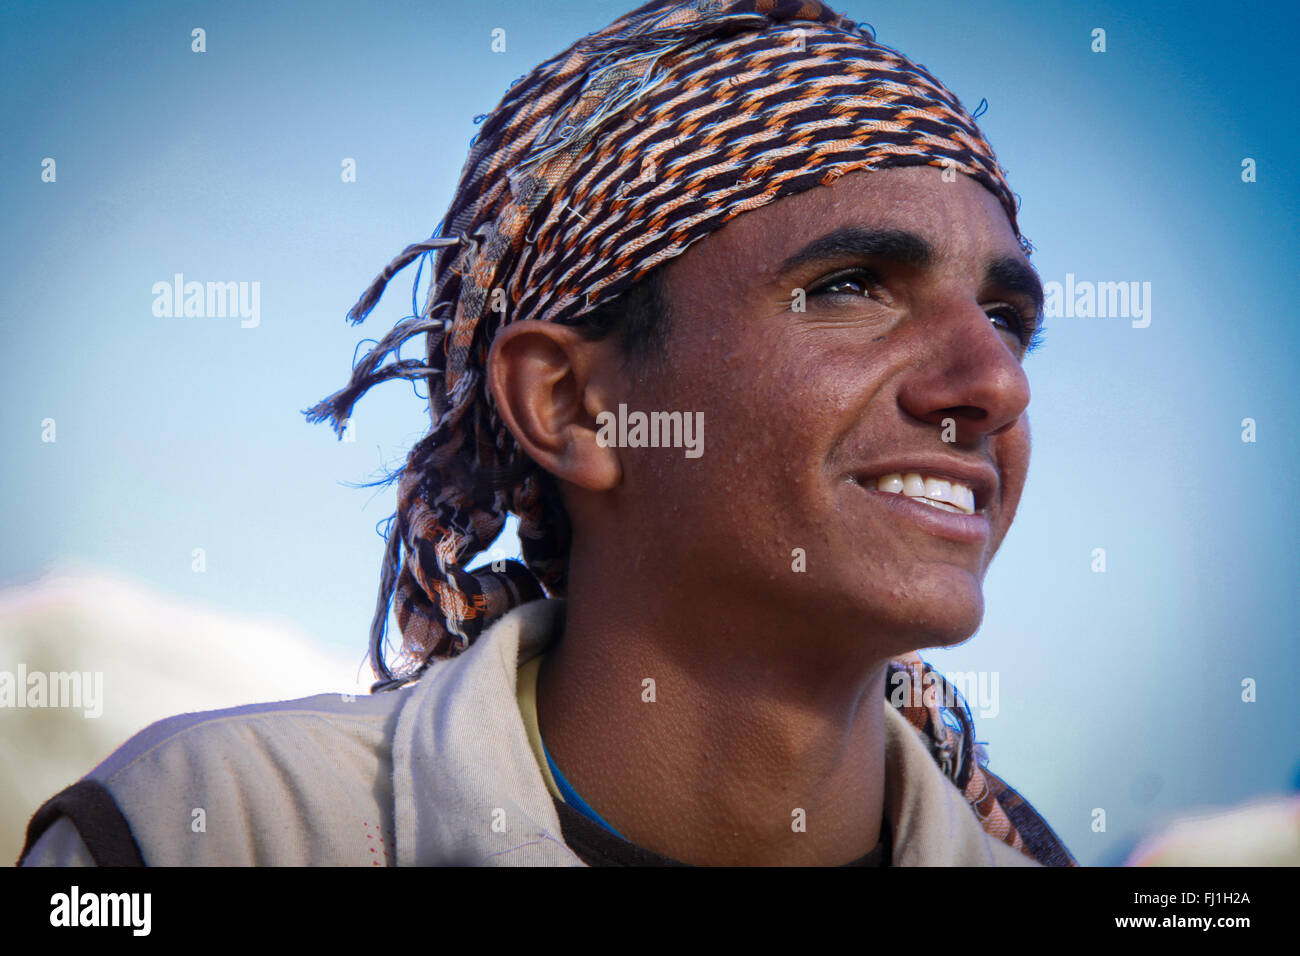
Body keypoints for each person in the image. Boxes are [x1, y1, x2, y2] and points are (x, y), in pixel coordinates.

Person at [20, 0, 1075, 867]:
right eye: (849, 286)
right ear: (569, 404)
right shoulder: (205, 830)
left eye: (1006, 317)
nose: (992, 381)